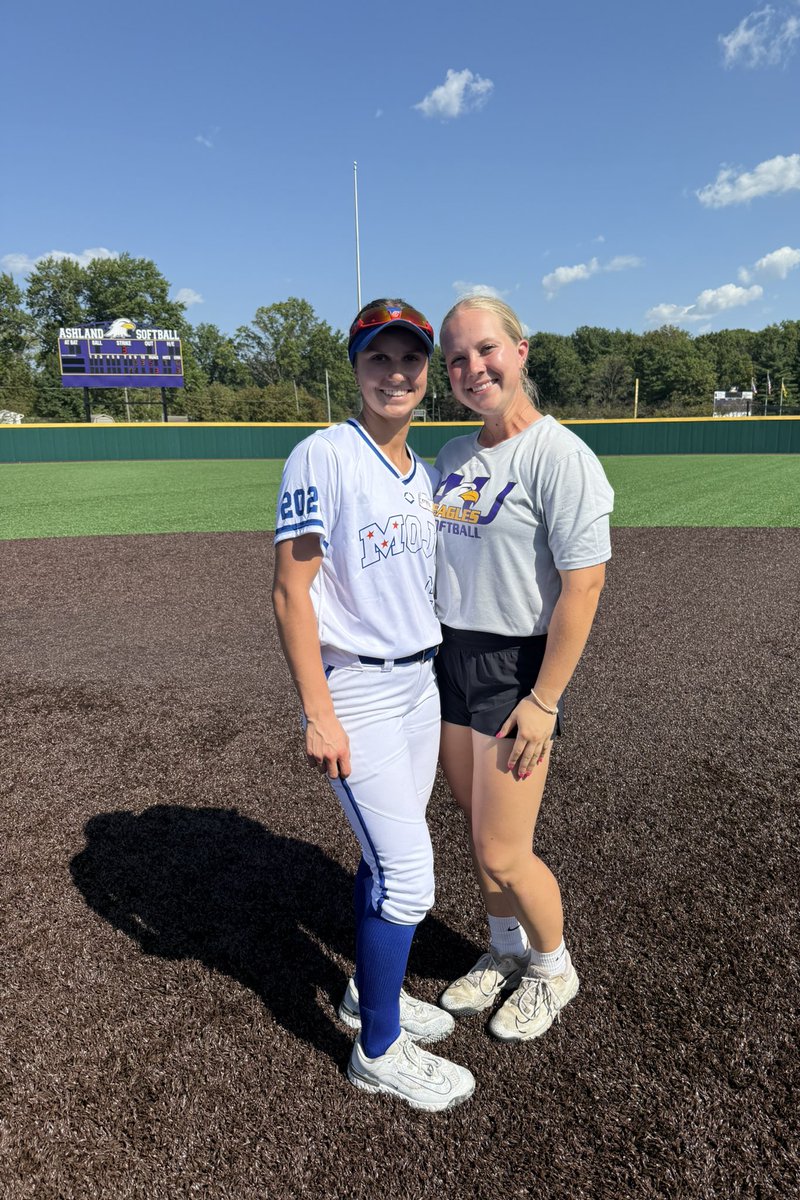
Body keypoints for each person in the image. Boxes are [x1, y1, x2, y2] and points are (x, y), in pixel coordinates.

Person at [272, 299, 475, 1111]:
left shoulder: (425, 475)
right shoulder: (324, 454)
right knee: (411, 880)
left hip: (416, 686)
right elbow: (292, 593)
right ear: (354, 369)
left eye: (410, 360)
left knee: (381, 856)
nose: (396, 374)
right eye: (378, 359)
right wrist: (319, 711)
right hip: (353, 684)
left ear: (428, 375)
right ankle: (377, 1050)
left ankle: (366, 996)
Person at [433, 296, 614, 1041]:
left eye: (486, 350)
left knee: (505, 849)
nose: (473, 368)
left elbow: (586, 583)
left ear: (521, 351)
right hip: (453, 660)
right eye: (456, 358)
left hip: (518, 673)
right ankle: (503, 950)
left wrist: (545, 699)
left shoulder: (560, 456)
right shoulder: (450, 457)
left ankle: (553, 966)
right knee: (477, 832)